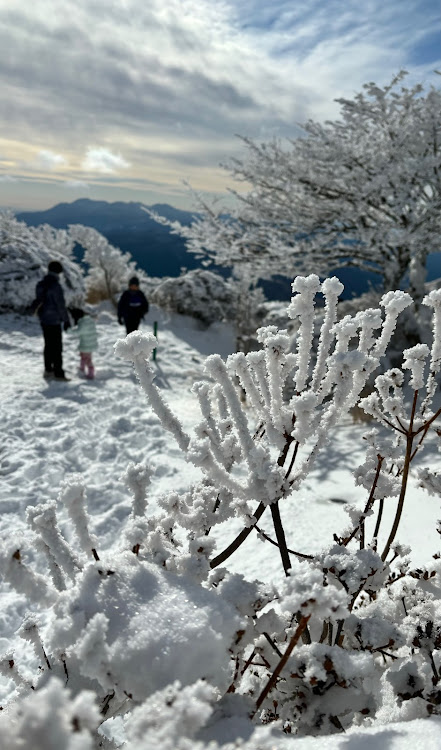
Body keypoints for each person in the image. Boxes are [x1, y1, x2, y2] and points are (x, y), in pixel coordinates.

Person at [35, 260, 71, 381]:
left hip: (44, 319)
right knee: (57, 347)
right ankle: (58, 373)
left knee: (48, 345)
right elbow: (60, 305)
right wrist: (66, 320)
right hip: (54, 320)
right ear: (58, 272)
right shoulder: (56, 286)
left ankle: (48, 370)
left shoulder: (40, 284)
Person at [69, 307, 98, 379]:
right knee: (83, 356)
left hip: (86, 344)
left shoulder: (83, 323)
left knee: (87, 359)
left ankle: (91, 373)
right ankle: (82, 368)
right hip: (89, 343)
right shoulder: (89, 320)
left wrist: (69, 331)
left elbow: (79, 331)